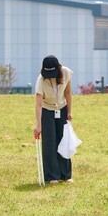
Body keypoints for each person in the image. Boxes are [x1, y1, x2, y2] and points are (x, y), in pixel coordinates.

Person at [34, 55, 74, 183]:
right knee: (49, 142)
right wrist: (38, 125)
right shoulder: (41, 80)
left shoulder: (66, 72)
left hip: (61, 108)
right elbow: (38, 104)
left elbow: (68, 92)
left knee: (64, 140)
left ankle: (65, 174)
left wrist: (69, 111)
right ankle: (52, 175)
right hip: (47, 110)